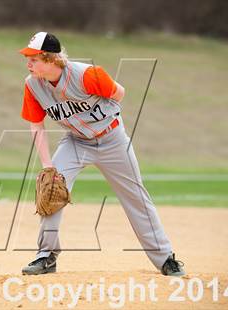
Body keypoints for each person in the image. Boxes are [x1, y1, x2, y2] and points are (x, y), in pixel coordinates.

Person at [19, 32, 185, 276]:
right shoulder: (32, 85)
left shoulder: (87, 75)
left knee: (136, 197)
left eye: (33, 58)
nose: (28, 63)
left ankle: (165, 259)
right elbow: (36, 125)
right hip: (76, 142)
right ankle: (46, 256)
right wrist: (48, 166)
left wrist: (101, 113)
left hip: (112, 139)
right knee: (52, 190)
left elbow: (119, 93)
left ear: (51, 59)